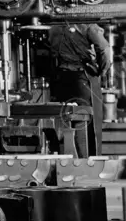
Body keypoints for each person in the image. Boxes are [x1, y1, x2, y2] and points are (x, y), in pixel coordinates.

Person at [46, 22, 112, 158]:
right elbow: (105, 49)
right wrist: (103, 70)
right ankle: (88, 162)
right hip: (81, 78)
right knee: (87, 122)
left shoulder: (53, 27)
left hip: (61, 79)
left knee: (66, 121)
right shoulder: (87, 25)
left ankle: (69, 161)